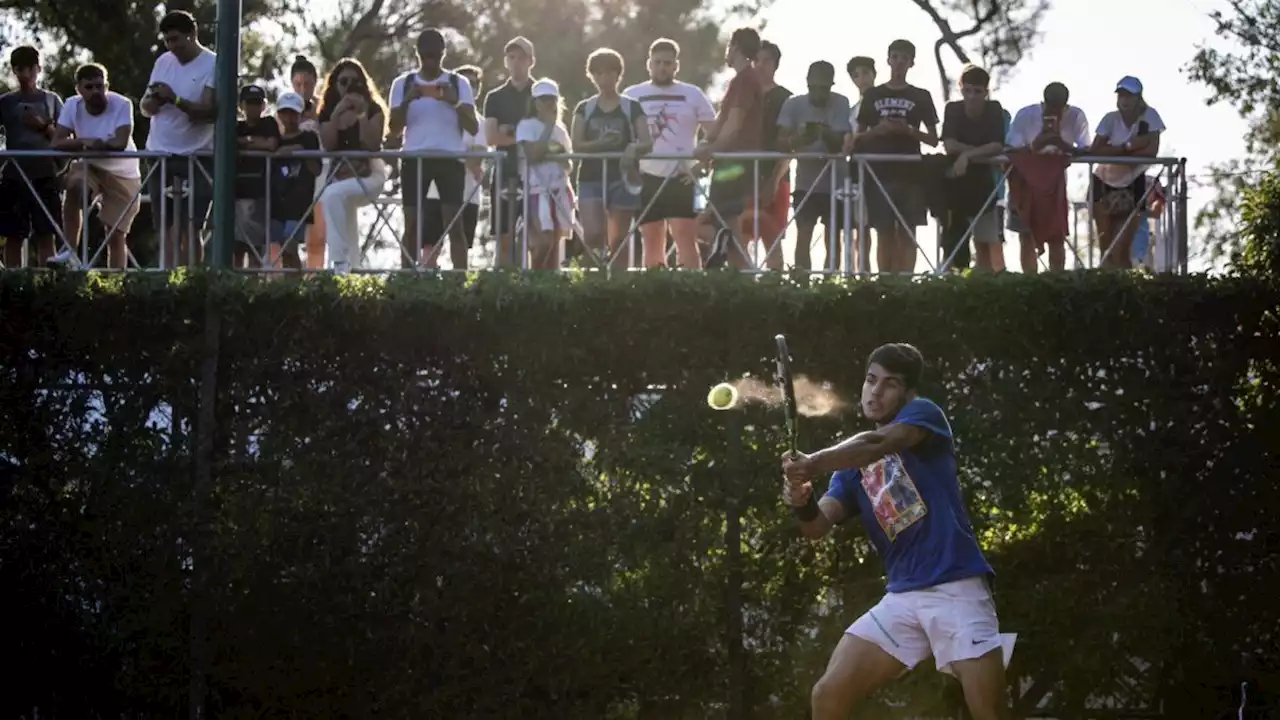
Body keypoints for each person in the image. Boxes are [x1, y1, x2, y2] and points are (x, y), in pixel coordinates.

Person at [781, 343, 1008, 720]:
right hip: (903, 598)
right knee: (828, 695)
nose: (876, 391)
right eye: (871, 380)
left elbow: (878, 443)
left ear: (909, 393)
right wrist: (801, 498)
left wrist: (812, 463)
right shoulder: (849, 469)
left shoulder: (923, 417)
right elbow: (817, 525)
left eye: (889, 384)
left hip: (957, 590)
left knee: (991, 713)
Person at [387, 28, 479, 269]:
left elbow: (473, 126)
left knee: (454, 225)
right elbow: (394, 130)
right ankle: (407, 281)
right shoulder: (402, 83)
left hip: (450, 159)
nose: (430, 61)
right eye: (426, 55)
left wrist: (454, 101)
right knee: (412, 224)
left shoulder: (459, 84)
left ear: (443, 54)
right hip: (414, 159)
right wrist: (407, 100)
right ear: (418, 54)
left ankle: (459, 283)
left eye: (435, 55)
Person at [625, 38, 716, 268]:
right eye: (657, 62)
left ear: (676, 66)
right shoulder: (632, 94)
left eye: (667, 63)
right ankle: (656, 292)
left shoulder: (693, 93)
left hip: (682, 177)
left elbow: (714, 132)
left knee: (685, 237)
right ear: (649, 64)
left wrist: (703, 161)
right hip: (646, 176)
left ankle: (691, 290)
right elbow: (623, 135)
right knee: (652, 239)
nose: (662, 67)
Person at [852, 40, 938, 274]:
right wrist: (878, 131)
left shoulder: (921, 96)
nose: (899, 62)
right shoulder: (873, 94)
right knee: (884, 233)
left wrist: (908, 130)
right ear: (888, 60)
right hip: (879, 173)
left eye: (905, 58)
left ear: (911, 63)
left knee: (908, 232)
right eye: (896, 57)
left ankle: (906, 285)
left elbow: (933, 139)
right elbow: (857, 137)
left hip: (911, 173)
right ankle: (886, 283)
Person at [139, 10, 216, 268]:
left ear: (193, 34)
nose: (172, 47)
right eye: (167, 41)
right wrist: (153, 101)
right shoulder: (163, 61)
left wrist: (175, 99)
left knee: (192, 226)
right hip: (159, 153)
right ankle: (168, 281)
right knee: (165, 226)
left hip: (197, 155)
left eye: (176, 40)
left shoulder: (213, 63)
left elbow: (208, 112)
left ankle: (193, 281)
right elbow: (145, 107)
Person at [50, 63, 140, 270]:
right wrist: (84, 143)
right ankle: (69, 252)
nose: (96, 92)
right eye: (89, 87)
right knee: (74, 188)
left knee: (115, 234)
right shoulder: (72, 105)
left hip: (124, 172)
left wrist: (96, 143)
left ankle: (115, 284)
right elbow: (56, 142)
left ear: (107, 86)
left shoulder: (122, 104)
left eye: (100, 86)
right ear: (79, 89)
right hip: (89, 165)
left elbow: (120, 142)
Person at [571, 48, 651, 269]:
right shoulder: (584, 108)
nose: (603, 79)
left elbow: (647, 141)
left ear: (618, 75)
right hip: (590, 177)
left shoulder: (631, 107)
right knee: (594, 234)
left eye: (608, 73)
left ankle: (619, 287)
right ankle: (590, 281)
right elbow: (576, 145)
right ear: (591, 76)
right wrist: (600, 144)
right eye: (598, 74)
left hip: (623, 177)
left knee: (619, 239)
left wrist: (632, 149)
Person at [694, 27, 764, 269]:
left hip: (735, 164)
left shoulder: (746, 80)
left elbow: (734, 124)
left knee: (719, 225)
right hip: (730, 162)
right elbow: (722, 122)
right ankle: (741, 282)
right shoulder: (739, 81)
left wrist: (711, 150)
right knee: (727, 225)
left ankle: (740, 276)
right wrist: (705, 144)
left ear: (734, 47)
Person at [1005, 82, 1089, 273]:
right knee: (1025, 233)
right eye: (1050, 107)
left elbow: (1085, 148)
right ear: (1043, 102)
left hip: (1054, 183)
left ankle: (1055, 281)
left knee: (1056, 234)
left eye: (1059, 108)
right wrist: (1039, 141)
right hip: (1024, 181)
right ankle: (1030, 282)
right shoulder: (1026, 115)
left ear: (1066, 106)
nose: (1054, 112)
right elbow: (1011, 148)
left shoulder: (1075, 116)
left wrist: (1061, 143)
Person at [777, 61, 852, 272]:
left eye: (824, 88)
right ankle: (801, 286)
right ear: (807, 83)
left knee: (833, 239)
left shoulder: (841, 102)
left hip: (835, 182)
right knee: (803, 236)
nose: (818, 93)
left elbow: (838, 144)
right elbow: (780, 142)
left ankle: (831, 287)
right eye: (814, 87)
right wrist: (799, 139)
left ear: (832, 85)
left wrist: (823, 132)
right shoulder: (794, 104)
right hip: (805, 182)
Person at [317, 58, 388, 273]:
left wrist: (362, 114)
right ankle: (351, 269)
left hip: (370, 175)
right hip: (339, 175)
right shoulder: (328, 111)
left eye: (355, 81)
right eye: (343, 81)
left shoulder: (374, 110)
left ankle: (339, 264)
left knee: (332, 195)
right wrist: (338, 113)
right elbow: (328, 145)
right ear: (334, 84)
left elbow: (371, 144)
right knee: (340, 205)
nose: (349, 86)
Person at [1088, 76, 1164, 270]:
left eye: (1129, 95)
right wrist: (1129, 147)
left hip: (1133, 182)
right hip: (1102, 182)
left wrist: (1113, 151)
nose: (1124, 100)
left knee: (1122, 248)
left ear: (1139, 97)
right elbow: (1096, 150)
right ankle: (1106, 288)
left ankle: (1125, 292)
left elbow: (1151, 151)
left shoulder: (1150, 116)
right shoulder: (1110, 118)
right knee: (1106, 245)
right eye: (1121, 95)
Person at [0, 46, 64, 269]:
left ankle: (50, 285)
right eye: (20, 69)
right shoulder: (5, 102)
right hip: (13, 175)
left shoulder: (52, 100)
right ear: (14, 71)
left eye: (30, 68)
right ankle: (13, 285)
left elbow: (65, 139)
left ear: (39, 69)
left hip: (45, 174)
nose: (26, 74)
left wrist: (43, 125)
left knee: (47, 234)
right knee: (13, 235)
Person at [940, 64, 1007, 272]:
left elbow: (997, 145)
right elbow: (949, 144)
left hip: (984, 182)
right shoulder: (952, 109)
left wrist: (967, 156)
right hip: (955, 183)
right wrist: (979, 153)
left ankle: (986, 285)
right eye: (967, 90)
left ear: (986, 92)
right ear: (961, 89)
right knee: (952, 241)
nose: (972, 96)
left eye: (977, 91)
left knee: (987, 241)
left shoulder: (994, 109)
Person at [482, 37, 536, 268]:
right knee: (504, 236)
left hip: (536, 171)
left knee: (534, 236)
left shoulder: (541, 94)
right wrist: (524, 134)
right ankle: (504, 289)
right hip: (504, 170)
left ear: (531, 61)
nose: (516, 62)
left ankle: (533, 290)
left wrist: (511, 132)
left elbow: (546, 134)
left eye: (521, 57)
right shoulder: (494, 97)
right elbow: (492, 137)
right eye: (511, 57)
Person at [743, 40, 792, 271]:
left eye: (767, 60)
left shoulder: (786, 98)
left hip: (775, 176)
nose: (761, 65)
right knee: (739, 239)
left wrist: (774, 181)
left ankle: (775, 293)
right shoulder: (741, 96)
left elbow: (789, 145)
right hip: (743, 177)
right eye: (756, 60)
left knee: (773, 241)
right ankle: (742, 291)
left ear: (776, 64)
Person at [515, 79, 574, 270]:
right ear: (535, 103)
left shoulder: (561, 129)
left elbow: (568, 163)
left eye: (552, 99)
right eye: (544, 99)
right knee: (543, 242)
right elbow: (532, 155)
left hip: (559, 190)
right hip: (536, 191)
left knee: (555, 245)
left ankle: (549, 284)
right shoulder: (526, 126)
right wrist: (548, 131)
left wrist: (555, 151)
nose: (549, 103)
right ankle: (534, 277)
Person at [270, 91, 321, 270]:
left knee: (291, 245)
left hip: (299, 202)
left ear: (300, 114)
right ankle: (288, 286)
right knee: (283, 249)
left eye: (293, 113)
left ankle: (295, 286)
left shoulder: (309, 137)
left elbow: (316, 168)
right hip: (277, 201)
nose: (289, 117)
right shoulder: (274, 139)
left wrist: (296, 150)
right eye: (285, 112)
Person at [234, 84, 280, 267]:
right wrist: (255, 142)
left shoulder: (269, 123)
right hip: (237, 193)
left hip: (260, 193)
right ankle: (233, 287)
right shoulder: (235, 126)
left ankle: (254, 290)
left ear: (264, 105)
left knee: (255, 249)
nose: (254, 107)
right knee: (236, 249)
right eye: (250, 102)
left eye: (258, 102)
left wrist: (245, 142)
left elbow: (271, 145)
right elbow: (229, 142)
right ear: (241, 105)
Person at [289, 54, 327, 269]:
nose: (303, 89)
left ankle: (316, 278)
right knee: (289, 236)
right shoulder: (285, 109)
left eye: (308, 84)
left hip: (320, 175)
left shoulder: (324, 107)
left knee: (317, 237)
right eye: (298, 84)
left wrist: (315, 118)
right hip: (293, 179)